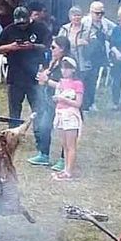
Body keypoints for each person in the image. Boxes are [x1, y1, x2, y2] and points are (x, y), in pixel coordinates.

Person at [0, 6, 51, 136]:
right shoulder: (9, 30)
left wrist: (33, 46)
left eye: (24, 23)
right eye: (19, 24)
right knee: (14, 108)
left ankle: (39, 134)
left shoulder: (40, 28)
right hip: (15, 74)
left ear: (29, 19)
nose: (22, 26)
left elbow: (48, 47)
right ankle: (14, 134)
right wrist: (11, 47)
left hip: (34, 74)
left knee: (38, 106)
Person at [33, 36, 70, 170]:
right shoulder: (55, 61)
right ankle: (43, 154)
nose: (51, 49)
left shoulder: (67, 63)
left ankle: (64, 159)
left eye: (54, 47)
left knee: (63, 131)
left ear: (63, 49)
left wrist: (47, 81)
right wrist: (44, 75)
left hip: (64, 103)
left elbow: (66, 85)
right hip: (50, 102)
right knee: (44, 126)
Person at [80, 1, 116, 111]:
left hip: (97, 55)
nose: (99, 15)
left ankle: (91, 103)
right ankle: (83, 104)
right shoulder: (84, 22)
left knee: (93, 80)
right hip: (85, 54)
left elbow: (115, 29)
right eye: (97, 13)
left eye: (102, 13)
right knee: (83, 80)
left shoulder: (105, 23)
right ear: (90, 12)